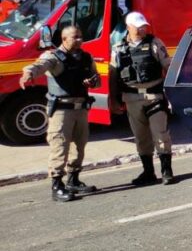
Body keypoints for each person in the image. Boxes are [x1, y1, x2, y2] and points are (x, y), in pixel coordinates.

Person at [20, 25, 100, 202]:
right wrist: (28, 73)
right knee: (59, 147)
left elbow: (97, 79)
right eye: (74, 37)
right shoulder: (54, 57)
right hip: (62, 111)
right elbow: (39, 66)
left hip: (81, 109)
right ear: (64, 39)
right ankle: (57, 186)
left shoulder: (86, 57)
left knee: (79, 147)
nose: (79, 40)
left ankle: (73, 180)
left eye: (80, 36)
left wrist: (92, 81)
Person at [110, 12, 175, 186]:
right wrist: (113, 99)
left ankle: (166, 170)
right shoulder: (118, 48)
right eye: (138, 26)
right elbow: (113, 74)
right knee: (141, 137)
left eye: (143, 26)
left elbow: (168, 66)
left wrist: (172, 93)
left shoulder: (155, 43)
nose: (142, 29)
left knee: (160, 133)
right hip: (131, 97)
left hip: (154, 95)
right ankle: (148, 172)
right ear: (128, 27)